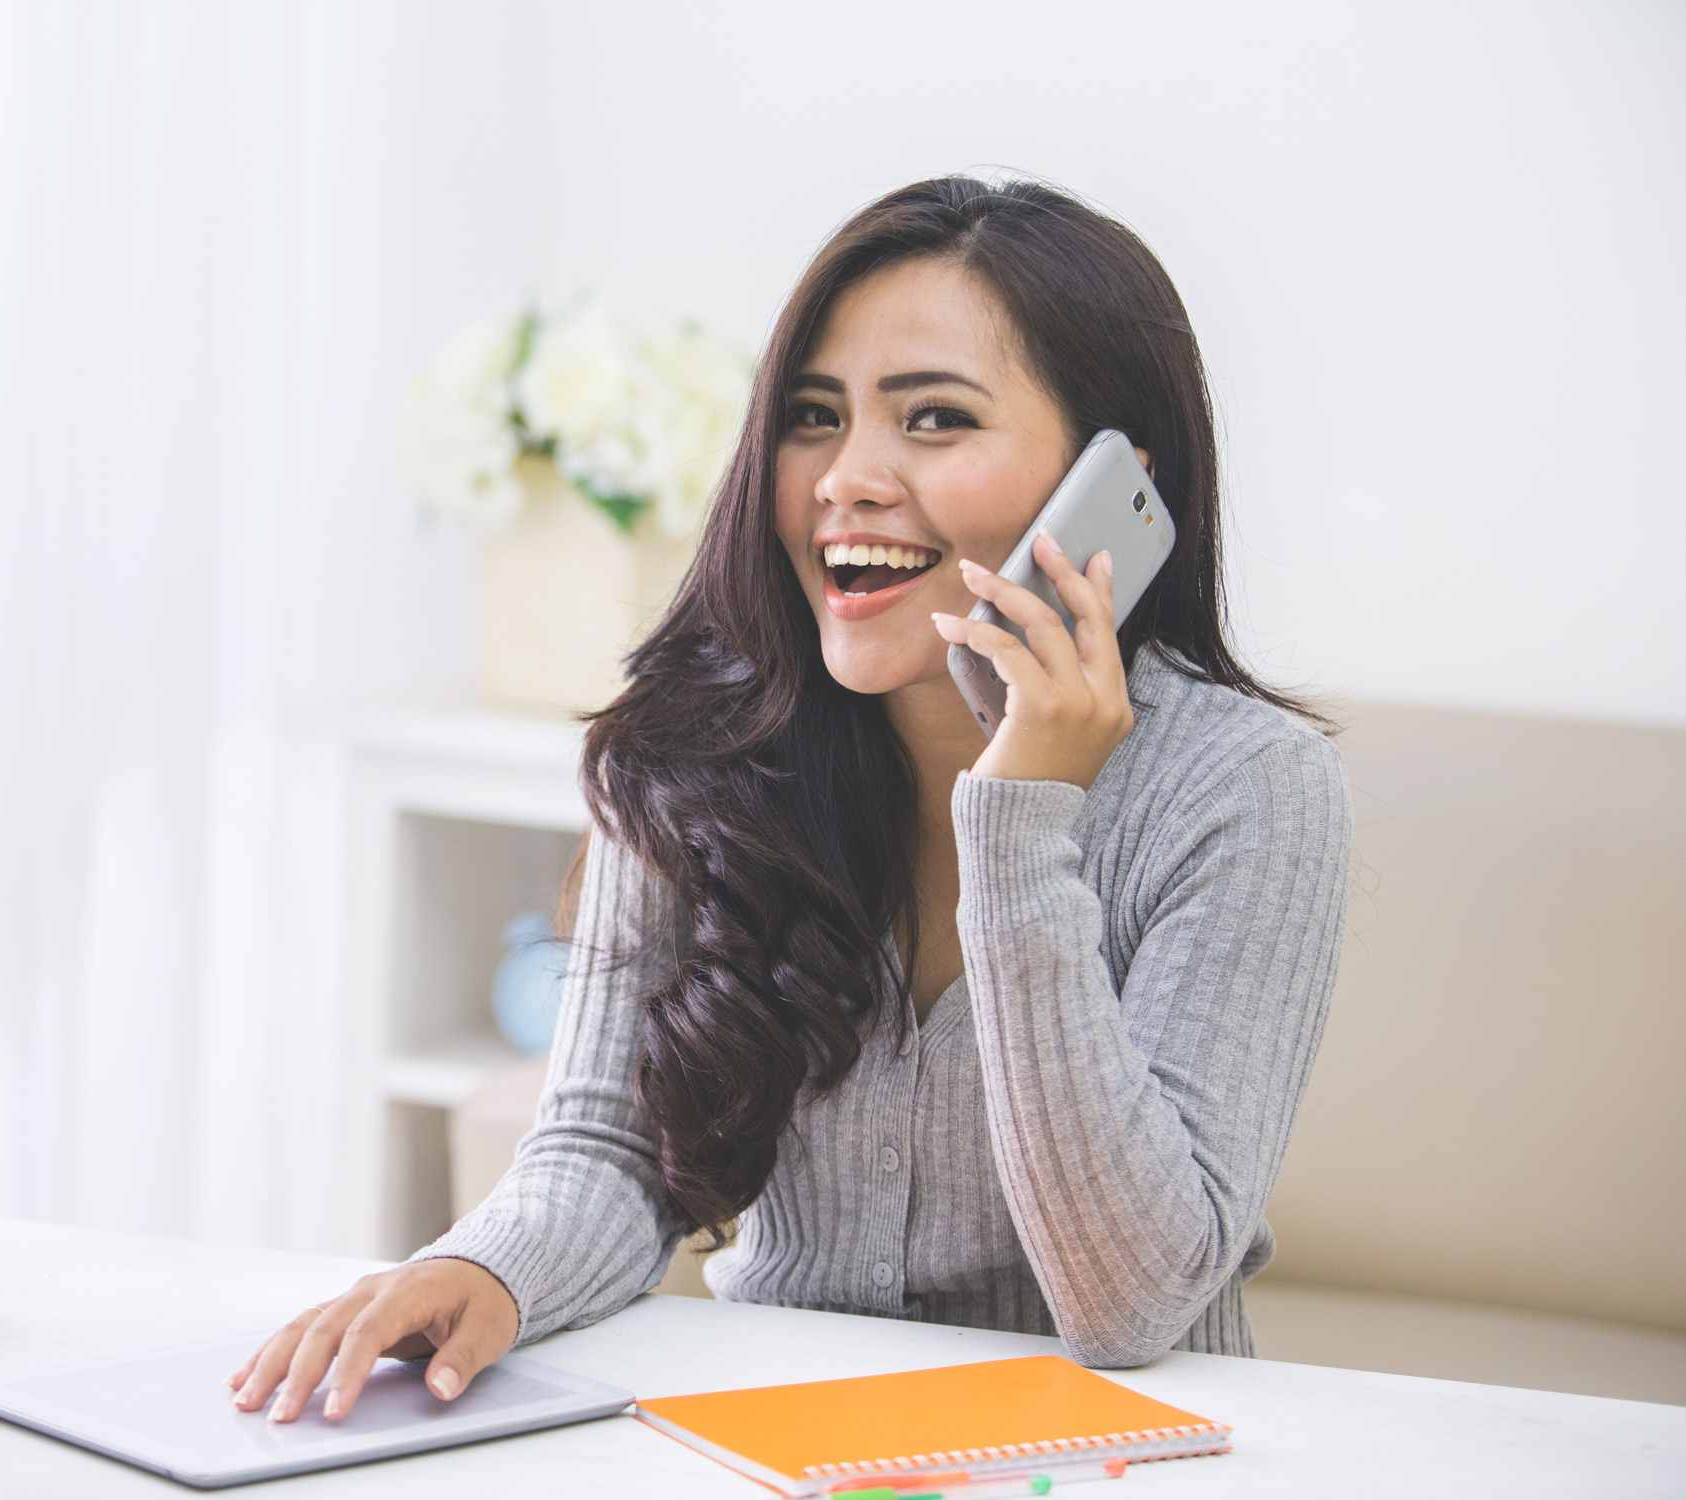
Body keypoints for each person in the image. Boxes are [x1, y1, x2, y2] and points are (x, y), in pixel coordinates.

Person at [231, 176, 1353, 1425]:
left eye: (935, 419)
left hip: (1115, 1452)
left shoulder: (1248, 789)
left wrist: (1024, 829)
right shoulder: (703, 748)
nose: (845, 479)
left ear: (1114, 483)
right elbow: (608, 1153)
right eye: (813, 417)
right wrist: (480, 1268)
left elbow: (1130, 1304)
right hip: (778, 1435)